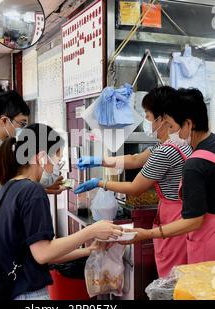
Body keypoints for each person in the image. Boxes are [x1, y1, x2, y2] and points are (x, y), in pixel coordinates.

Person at [0, 123, 123, 300]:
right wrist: (92, 231)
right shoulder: (32, 191)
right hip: (27, 294)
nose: (57, 166)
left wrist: (89, 250)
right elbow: (43, 254)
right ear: (41, 157)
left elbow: (38, 253)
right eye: (57, 159)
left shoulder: (9, 188)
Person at [121, 88, 215, 264]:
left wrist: (148, 234)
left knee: (209, 292)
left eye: (172, 126)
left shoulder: (194, 163)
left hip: (214, 250)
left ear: (188, 124)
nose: (170, 131)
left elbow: (193, 222)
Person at [75, 87, 193, 277]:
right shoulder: (173, 144)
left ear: (163, 118)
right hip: (179, 215)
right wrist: (100, 160)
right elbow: (136, 159)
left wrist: (100, 183)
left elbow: (135, 188)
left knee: (173, 276)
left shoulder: (166, 151)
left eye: (147, 114)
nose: (146, 119)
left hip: (174, 217)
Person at [0, 91, 65, 240]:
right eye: (22, 123)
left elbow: (9, 192)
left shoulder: (0, 149)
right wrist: (38, 191)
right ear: (4, 121)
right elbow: (2, 201)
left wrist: (42, 189)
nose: (23, 130)